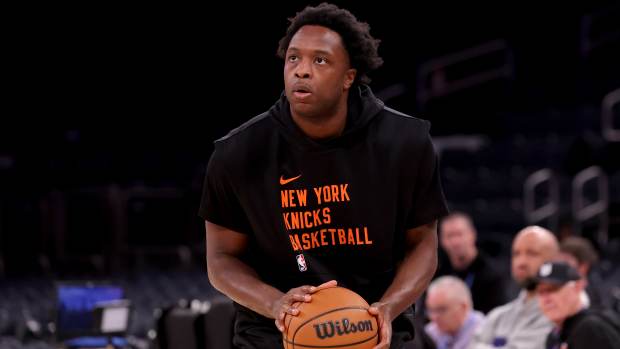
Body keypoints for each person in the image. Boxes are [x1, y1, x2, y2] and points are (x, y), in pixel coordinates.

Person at [199, 3, 449, 348]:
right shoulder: (238, 153)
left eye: (320, 60)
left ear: (349, 76)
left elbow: (423, 243)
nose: (301, 71)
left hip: (376, 331)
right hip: (273, 333)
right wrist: (276, 304)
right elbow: (221, 260)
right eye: (293, 58)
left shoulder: (404, 142)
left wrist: (388, 307)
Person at [469, 226, 558, 349]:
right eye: (516, 254)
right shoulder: (498, 316)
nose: (521, 262)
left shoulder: (558, 316)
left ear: (554, 260)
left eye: (532, 253)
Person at [535, 261, 620, 349]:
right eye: (540, 292)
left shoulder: (591, 327)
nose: (546, 299)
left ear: (578, 286)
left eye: (553, 289)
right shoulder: (554, 336)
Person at [435, 212, 507, 314]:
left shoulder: (492, 274)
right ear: (441, 240)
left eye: (459, 234)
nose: (455, 242)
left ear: (472, 235)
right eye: (449, 236)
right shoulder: (438, 274)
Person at [424, 276, 484, 349]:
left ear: (463, 308)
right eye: (431, 310)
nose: (434, 317)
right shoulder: (431, 332)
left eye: (441, 310)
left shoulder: (483, 332)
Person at [557, 236, 606, 309]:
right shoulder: (554, 286)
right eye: (558, 261)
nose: (559, 266)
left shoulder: (589, 295)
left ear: (583, 266)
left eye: (565, 262)